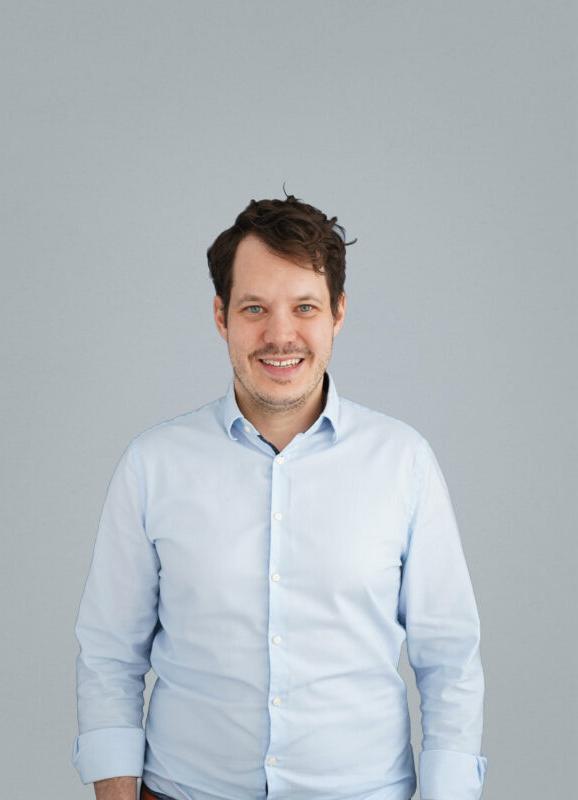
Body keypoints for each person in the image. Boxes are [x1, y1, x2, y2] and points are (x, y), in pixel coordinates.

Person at [72, 194, 487, 800]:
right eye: (255, 308)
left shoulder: (405, 463)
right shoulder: (152, 465)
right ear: (221, 316)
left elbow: (449, 659)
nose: (280, 335)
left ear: (338, 313)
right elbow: (110, 655)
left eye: (305, 307)